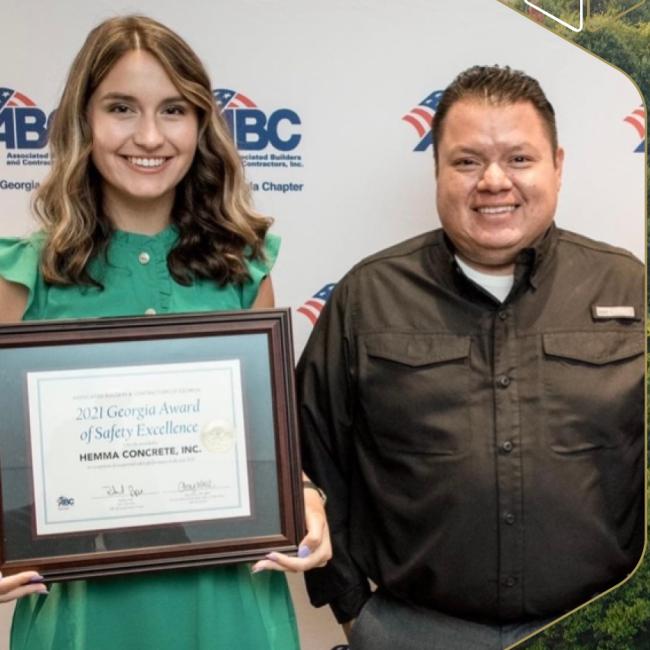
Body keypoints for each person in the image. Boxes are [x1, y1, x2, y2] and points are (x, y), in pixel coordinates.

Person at [0, 15, 331, 650]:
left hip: (231, 606)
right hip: (86, 617)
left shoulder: (244, 267)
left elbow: (269, 446)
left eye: (174, 110)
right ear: (83, 122)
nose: (149, 136)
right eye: (121, 108)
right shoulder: (26, 276)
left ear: (201, 126)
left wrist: (305, 496)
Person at [297, 65, 644, 650]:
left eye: (519, 158)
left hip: (595, 627)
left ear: (558, 166)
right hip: (413, 631)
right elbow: (310, 461)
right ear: (436, 169)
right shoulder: (367, 297)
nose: (492, 181)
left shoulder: (629, 288)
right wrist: (355, 610)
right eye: (466, 161)